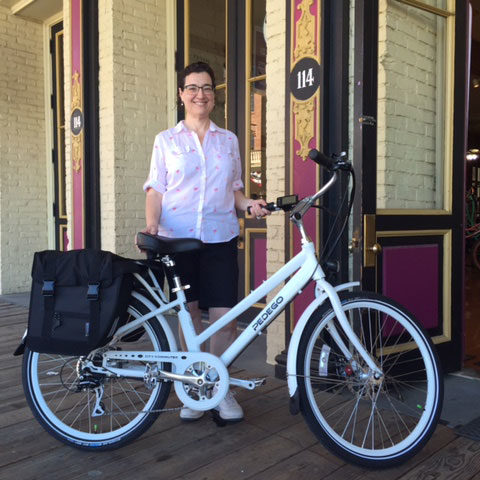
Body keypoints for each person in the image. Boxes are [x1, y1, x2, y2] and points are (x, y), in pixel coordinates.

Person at [142, 61, 269, 422]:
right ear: (182, 94)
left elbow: (235, 192)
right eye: (193, 87)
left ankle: (218, 386)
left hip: (220, 238)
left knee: (225, 319)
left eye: (208, 88)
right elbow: (155, 189)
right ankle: (195, 386)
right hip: (177, 241)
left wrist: (250, 205)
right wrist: (152, 224)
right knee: (190, 319)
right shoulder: (166, 140)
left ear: (214, 96)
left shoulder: (228, 140)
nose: (201, 94)